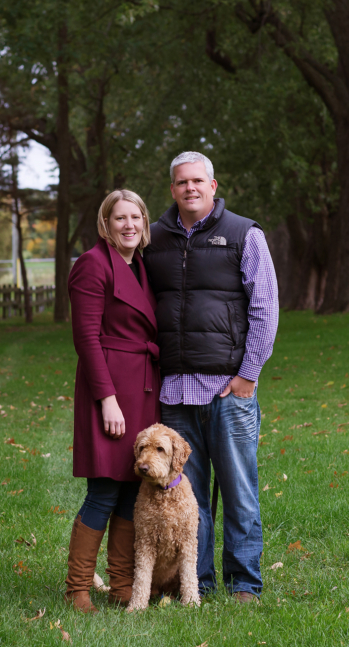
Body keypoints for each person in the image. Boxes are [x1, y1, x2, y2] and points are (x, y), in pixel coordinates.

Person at [141, 151, 278, 603]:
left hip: (228, 391)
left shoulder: (244, 234)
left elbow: (265, 309)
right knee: (186, 500)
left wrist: (248, 375)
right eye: (182, 182)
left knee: (239, 492)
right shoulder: (154, 239)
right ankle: (194, 584)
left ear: (213, 186)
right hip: (176, 393)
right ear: (173, 189)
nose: (190, 189)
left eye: (198, 181)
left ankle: (245, 584)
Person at [65, 189, 161, 613]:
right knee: (103, 491)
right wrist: (106, 399)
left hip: (142, 388)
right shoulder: (92, 264)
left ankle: (123, 585)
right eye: (119, 218)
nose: (129, 225)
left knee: (131, 491)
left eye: (135, 217)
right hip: (109, 389)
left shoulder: (140, 265)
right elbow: (85, 338)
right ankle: (78, 589)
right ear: (106, 224)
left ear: (144, 223)